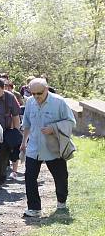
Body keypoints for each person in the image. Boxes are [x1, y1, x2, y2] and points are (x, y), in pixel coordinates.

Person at [20, 78, 76, 218]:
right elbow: (26, 124)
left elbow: (71, 122)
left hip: (53, 147)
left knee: (60, 176)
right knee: (30, 177)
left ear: (46, 89)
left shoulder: (59, 102)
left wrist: (54, 128)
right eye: (33, 93)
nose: (36, 96)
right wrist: (23, 142)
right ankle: (34, 208)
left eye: (39, 93)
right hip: (34, 146)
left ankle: (61, 203)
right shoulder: (30, 102)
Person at [0, 78, 21, 190]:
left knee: (1, 158)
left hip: (4, 131)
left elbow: (15, 116)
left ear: (3, 89)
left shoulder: (10, 97)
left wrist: (16, 132)